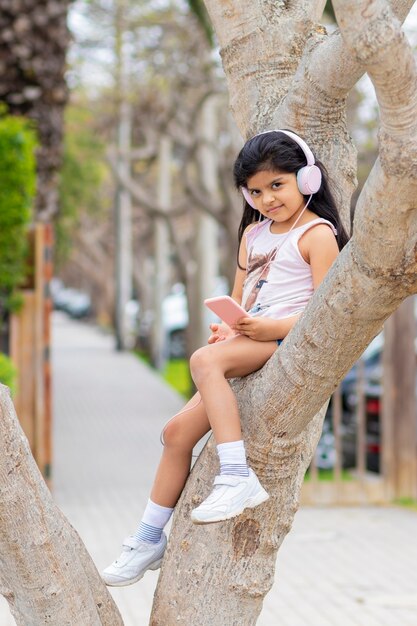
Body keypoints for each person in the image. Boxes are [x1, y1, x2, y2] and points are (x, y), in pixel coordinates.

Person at [102, 129, 349, 587]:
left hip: (282, 342)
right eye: (255, 190)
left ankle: (236, 475)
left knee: (202, 360)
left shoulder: (318, 234)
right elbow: (241, 300)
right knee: (175, 432)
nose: (267, 198)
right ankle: (148, 536)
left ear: (307, 179)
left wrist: (268, 329)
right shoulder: (252, 235)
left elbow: (326, 315)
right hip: (251, 336)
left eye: (277, 185)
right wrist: (229, 327)